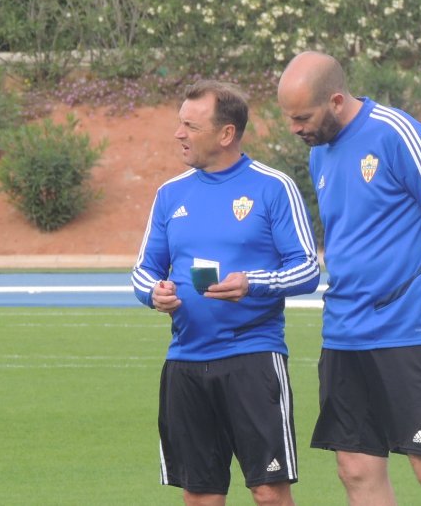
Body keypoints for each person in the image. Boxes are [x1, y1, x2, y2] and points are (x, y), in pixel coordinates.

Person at [276, 51, 421, 506]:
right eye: (289, 117)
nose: (295, 127)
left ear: (336, 100)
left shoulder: (397, 133)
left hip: (405, 330)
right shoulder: (320, 153)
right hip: (343, 333)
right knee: (355, 468)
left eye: (302, 116)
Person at [131, 80, 321, 506]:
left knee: (269, 492)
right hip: (185, 362)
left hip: (253, 359)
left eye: (190, 126)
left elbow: (307, 269)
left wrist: (252, 282)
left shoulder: (273, 187)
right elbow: (143, 270)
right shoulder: (170, 194)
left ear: (226, 134)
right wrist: (154, 293)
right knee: (200, 496)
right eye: (179, 123)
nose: (178, 133)